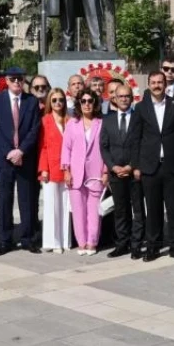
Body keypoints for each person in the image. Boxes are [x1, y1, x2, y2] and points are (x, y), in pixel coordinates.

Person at [129, 71, 174, 262]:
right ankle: (153, 247)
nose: (157, 85)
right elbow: (135, 139)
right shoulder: (140, 108)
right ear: (148, 84)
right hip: (149, 167)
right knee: (153, 210)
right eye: (153, 82)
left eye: (160, 82)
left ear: (166, 84)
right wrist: (136, 166)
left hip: (172, 167)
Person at [0, 67, 41, 255]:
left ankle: (28, 239)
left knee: (27, 200)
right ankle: (5, 240)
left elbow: (35, 129)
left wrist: (21, 151)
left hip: (25, 158)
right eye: (13, 79)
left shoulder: (31, 101)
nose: (17, 82)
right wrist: (10, 152)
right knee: (4, 200)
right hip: (4, 159)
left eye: (20, 78)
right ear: (7, 81)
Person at [63, 88, 106, 255]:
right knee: (78, 210)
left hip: (96, 171)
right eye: (84, 101)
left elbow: (106, 149)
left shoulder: (102, 124)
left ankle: (92, 242)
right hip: (76, 172)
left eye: (90, 101)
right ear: (79, 104)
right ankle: (81, 242)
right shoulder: (72, 124)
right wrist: (66, 170)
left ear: (95, 103)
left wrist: (105, 171)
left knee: (94, 210)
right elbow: (66, 149)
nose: (87, 104)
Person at [100, 82, 138, 258]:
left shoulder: (139, 118)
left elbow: (143, 145)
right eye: (120, 96)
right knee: (121, 210)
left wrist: (132, 166)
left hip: (134, 172)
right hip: (116, 173)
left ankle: (136, 244)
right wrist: (113, 167)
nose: (124, 99)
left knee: (137, 210)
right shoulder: (107, 121)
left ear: (131, 98)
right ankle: (122, 243)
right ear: (114, 99)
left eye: (127, 96)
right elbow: (104, 147)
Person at [37, 88, 72, 253]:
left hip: (68, 168)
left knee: (65, 205)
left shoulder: (70, 120)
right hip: (50, 168)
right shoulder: (45, 120)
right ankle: (53, 242)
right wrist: (43, 169)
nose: (58, 103)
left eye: (61, 100)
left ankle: (65, 240)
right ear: (50, 102)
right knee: (51, 206)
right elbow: (42, 147)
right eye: (55, 100)